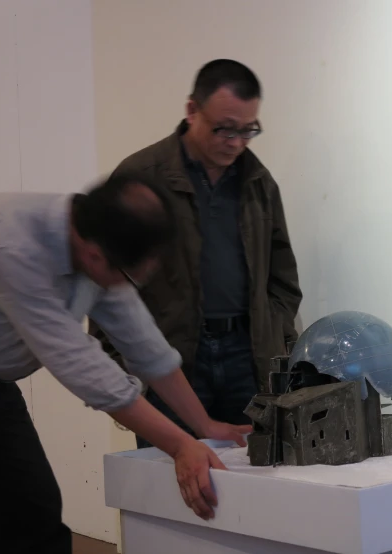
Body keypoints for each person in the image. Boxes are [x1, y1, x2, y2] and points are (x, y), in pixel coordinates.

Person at [0, 176, 252, 554]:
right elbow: (84, 369)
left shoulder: (92, 239)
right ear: (95, 256)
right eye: (129, 276)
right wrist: (180, 446)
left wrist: (204, 425)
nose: (129, 285)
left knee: (34, 512)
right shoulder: (12, 248)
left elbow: (145, 347)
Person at [89, 60, 302, 448]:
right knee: (170, 483)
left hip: (246, 358)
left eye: (248, 130)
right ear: (191, 111)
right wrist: (122, 371)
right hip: (172, 360)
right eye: (225, 128)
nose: (236, 142)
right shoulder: (141, 178)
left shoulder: (258, 183)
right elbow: (103, 281)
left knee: (255, 485)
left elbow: (283, 279)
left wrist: (272, 334)